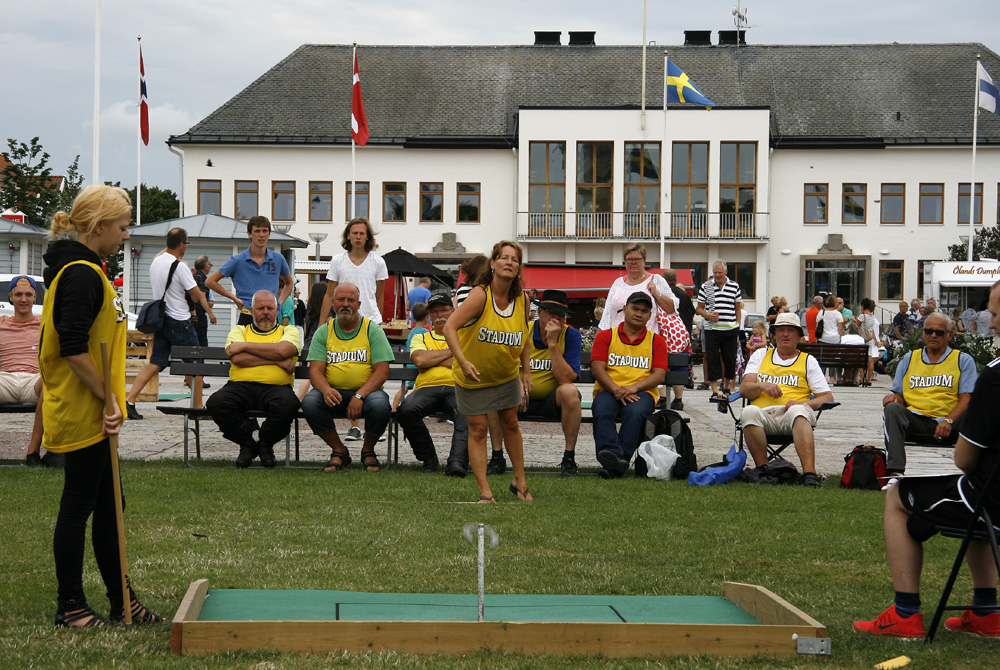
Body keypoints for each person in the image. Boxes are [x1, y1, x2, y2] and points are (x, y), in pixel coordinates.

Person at [41, 184, 160, 627]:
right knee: (79, 504)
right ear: (97, 226)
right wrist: (109, 397)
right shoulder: (79, 273)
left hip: (94, 407)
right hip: (82, 406)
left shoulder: (88, 269)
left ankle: (121, 601)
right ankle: (70, 604)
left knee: (111, 506)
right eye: (122, 226)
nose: (126, 234)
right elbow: (72, 347)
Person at [854, 280, 1000, 640]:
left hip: (991, 497)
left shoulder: (992, 376)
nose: (991, 322)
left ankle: (905, 613)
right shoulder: (910, 358)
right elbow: (895, 392)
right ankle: (985, 610)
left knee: (897, 498)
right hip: (920, 421)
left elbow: (965, 459)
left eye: (995, 314)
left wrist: (953, 423)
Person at [443, 240, 532, 502]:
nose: (509, 263)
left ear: (519, 267)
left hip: (505, 375)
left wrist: (526, 372)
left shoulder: (522, 299)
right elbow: (449, 327)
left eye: (514, 259)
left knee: (512, 424)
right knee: (479, 430)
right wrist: (463, 361)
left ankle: (520, 482)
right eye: (503, 258)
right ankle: (484, 491)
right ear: (492, 263)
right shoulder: (480, 294)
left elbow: (524, 336)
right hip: (474, 375)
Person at [126, 228, 216, 418]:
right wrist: (208, 310)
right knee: (196, 363)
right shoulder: (180, 266)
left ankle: (130, 400)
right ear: (182, 244)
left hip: (162, 320)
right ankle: (198, 408)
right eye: (187, 243)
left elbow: (162, 254)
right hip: (179, 320)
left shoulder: (156, 262)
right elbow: (195, 294)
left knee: (156, 362)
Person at [302, 282, 392, 472]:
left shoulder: (372, 330)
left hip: (368, 392)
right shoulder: (324, 331)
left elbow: (382, 372)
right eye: (341, 300)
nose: (345, 304)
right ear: (333, 303)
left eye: (351, 300)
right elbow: (315, 371)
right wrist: (325, 390)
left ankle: (368, 451)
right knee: (310, 402)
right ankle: (339, 450)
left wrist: (359, 395)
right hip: (333, 392)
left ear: (359, 304)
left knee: (380, 405)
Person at [205, 290, 301, 468]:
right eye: (260, 308)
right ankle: (248, 443)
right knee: (217, 403)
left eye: (270, 308)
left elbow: (283, 351)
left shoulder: (289, 331)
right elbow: (237, 359)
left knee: (288, 405)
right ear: (251, 310)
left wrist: (245, 346)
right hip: (239, 387)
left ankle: (265, 444)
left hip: (277, 388)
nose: (265, 312)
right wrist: (277, 360)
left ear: (277, 311)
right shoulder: (239, 330)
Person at [738, 312, 833, 487]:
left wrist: (803, 404)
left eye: (790, 330)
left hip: (793, 417)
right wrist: (761, 386)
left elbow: (827, 397)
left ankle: (809, 474)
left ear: (798, 335)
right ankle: (765, 471)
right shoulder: (760, 356)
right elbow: (744, 389)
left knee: (798, 411)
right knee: (748, 411)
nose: (785, 334)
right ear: (774, 335)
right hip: (764, 416)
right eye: (781, 330)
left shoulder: (808, 361)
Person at [881, 311, 977, 483]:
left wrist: (949, 421)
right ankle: (895, 473)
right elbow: (900, 396)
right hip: (917, 420)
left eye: (939, 332)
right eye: (928, 331)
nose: (933, 335)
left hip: (951, 423)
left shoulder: (962, 360)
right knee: (893, 409)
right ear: (923, 333)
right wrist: (894, 399)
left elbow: (966, 398)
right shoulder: (909, 359)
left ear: (949, 335)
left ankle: (977, 474)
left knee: (980, 413)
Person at [319, 217, 388, 441]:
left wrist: (379, 320)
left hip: (370, 322)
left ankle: (374, 419)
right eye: (354, 233)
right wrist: (322, 323)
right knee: (345, 367)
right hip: (342, 322)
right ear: (348, 236)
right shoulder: (338, 261)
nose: (358, 237)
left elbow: (379, 295)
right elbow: (329, 294)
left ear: (368, 237)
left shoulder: (378, 262)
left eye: (362, 233)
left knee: (372, 370)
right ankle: (355, 425)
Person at [591, 291, 667, 479]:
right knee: (602, 409)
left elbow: (659, 374)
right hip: (609, 389)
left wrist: (633, 388)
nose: (639, 313)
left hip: (641, 392)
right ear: (624, 309)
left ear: (650, 315)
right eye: (635, 308)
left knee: (634, 412)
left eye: (644, 310)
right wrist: (616, 389)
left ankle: (617, 461)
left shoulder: (656, 341)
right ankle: (611, 454)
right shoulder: (606, 336)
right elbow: (597, 369)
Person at [396, 291, 469, 475]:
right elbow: (420, 360)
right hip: (427, 388)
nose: (439, 315)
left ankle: (457, 462)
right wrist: (452, 352)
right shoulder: (421, 337)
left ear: (453, 312)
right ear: (429, 315)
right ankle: (428, 458)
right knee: (405, 410)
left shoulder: (464, 336)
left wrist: (433, 359)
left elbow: (466, 362)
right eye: (435, 312)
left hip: (456, 386)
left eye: (444, 310)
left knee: (466, 412)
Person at [520, 289, 583, 476]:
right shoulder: (524, 330)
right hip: (521, 396)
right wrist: (516, 383)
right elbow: (507, 366)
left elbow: (566, 379)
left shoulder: (570, 335)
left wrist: (553, 344)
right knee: (498, 390)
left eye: (561, 315)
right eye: (551, 313)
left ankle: (569, 457)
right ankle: (497, 457)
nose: (557, 319)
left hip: (552, 400)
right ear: (539, 313)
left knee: (570, 392)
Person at [206, 216, 294, 326]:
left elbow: (289, 283)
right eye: (257, 231)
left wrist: (279, 303)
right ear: (249, 234)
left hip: (271, 317)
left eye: (265, 231)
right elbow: (210, 281)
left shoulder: (278, 259)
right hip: (247, 315)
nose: (261, 235)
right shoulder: (238, 260)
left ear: (269, 234)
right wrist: (234, 299)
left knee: (272, 343)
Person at [2, 276, 46, 467]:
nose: (23, 299)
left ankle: (33, 453)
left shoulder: (45, 324)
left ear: (35, 297)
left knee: (53, 382)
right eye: (18, 294)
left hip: (34, 380)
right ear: (10, 297)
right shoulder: (1, 323)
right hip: (5, 379)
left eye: (28, 295)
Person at [597, 243, 676, 337]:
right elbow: (606, 317)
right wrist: (597, 343)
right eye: (629, 259)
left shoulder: (656, 280)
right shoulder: (617, 283)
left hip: (646, 342)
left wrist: (657, 294)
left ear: (644, 260)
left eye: (637, 259)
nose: (633, 262)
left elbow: (672, 308)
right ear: (625, 262)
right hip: (618, 342)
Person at [695, 259, 742, 398]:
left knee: (730, 359)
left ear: (726, 272)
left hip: (730, 328)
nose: (717, 275)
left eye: (720, 272)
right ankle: (715, 390)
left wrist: (738, 326)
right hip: (712, 329)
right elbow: (699, 309)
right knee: (712, 359)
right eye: (715, 273)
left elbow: (737, 308)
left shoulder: (734, 286)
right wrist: (708, 316)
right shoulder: (706, 286)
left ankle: (726, 385)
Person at [660, 268, 693, 410]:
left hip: (664, 337)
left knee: (660, 367)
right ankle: (678, 400)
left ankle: (662, 398)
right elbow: (692, 313)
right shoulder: (684, 295)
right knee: (679, 368)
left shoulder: (661, 295)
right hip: (682, 337)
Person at [188, 255, 214, 347]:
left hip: (189, 313)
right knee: (202, 343)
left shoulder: (192, 278)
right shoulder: (203, 279)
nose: (211, 267)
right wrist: (210, 314)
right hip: (199, 314)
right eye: (210, 265)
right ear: (206, 265)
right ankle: (200, 361)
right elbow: (202, 296)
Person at [858, 298, 882, 384]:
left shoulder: (862, 316)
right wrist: (875, 339)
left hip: (862, 339)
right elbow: (872, 330)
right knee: (870, 359)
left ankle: (861, 379)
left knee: (861, 359)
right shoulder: (872, 317)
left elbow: (857, 325)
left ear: (863, 306)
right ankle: (869, 379)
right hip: (869, 338)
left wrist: (853, 320)